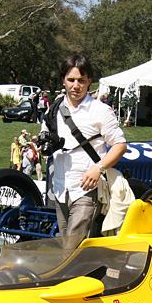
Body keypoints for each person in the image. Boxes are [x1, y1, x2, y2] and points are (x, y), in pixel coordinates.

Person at [44, 54, 127, 247]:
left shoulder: (100, 110)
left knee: (72, 246)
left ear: (89, 81)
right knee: (67, 243)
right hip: (60, 188)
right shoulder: (53, 110)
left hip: (86, 188)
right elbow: (46, 138)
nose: (76, 85)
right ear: (63, 79)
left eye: (81, 80)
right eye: (71, 80)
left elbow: (120, 145)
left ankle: (69, 276)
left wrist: (98, 168)